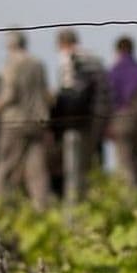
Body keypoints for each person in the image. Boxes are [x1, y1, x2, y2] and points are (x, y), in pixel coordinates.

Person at [0, 31, 52, 209]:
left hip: (14, 121)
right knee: (37, 170)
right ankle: (41, 207)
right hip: (37, 120)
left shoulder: (11, 64)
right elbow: (46, 93)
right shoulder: (38, 63)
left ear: (10, 44)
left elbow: (10, 94)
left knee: (5, 166)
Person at [54, 29, 111, 202]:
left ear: (63, 43)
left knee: (75, 167)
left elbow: (68, 91)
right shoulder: (95, 58)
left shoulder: (70, 60)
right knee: (96, 162)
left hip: (79, 120)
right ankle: (98, 198)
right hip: (100, 115)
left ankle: (76, 205)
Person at [108, 36, 137, 186]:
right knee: (135, 163)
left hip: (121, 124)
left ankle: (131, 200)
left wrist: (109, 125)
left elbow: (111, 99)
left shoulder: (115, 71)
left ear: (118, 50)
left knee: (125, 164)